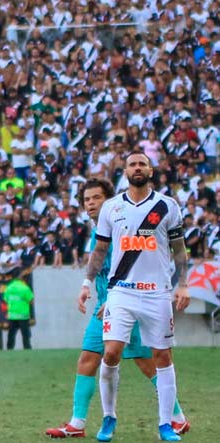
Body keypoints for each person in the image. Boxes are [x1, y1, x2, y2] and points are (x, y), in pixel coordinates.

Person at [46, 178, 190, 438]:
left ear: (110, 200)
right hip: (108, 302)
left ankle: (176, 418)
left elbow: (129, 266)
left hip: (125, 300)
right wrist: (88, 285)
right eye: (87, 199)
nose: (91, 203)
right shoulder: (99, 231)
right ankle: (77, 423)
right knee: (90, 357)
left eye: (96, 198)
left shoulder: (122, 227)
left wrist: (111, 299)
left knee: (145, 361)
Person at [84, 153, 191, 442]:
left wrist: (182, 284)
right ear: (126, 171)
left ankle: (166, 424)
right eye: (132, 164)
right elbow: (100, 251)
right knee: (110, 352)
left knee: (162, 357)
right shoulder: (111, 207)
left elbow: (179, 249)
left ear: (151, 170)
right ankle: (108, 418)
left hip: (157, 294)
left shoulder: (167, 206)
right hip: (121, 293)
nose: (138, 168)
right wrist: (87, 282)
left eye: (142, 164)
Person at [3, 278, 34, 350]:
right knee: (25, 335)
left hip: (12, 315)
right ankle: (27, 349)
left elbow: (5, 300)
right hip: (23, 315)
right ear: (22, 280)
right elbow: (31, 301)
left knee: (11, 334)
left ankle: (9, 349)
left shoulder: (9, 287)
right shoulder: (24, 288)